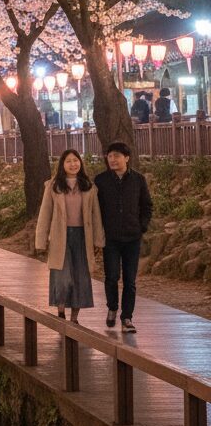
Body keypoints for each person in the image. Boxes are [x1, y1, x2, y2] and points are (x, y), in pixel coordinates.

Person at [35, 150, 104, 323]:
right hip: (61, 236)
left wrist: (98, 240)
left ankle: (74, 318)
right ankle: (60, 311)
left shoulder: (89, 186)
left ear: (80, 163)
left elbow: (96, 215)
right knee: (62, 276)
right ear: (62, 165)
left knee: (80, 277)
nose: (73, 164)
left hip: (82, 237)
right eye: (68, 161)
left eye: (76, 160)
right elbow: (45, 214)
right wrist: (40, 241)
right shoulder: (53, 186)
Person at [94, 142, 152, 333]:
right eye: (110, 156)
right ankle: (112, 307)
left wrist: (142, 226)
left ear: (126, 158)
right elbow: (96, 209)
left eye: (117, 156)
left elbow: (146, 205)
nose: (112, 160)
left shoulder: (138, 180)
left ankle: (127, 317)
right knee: (111, 276)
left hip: (132, 237)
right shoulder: (101, 181)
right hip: (110, 237)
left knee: (130, 280)